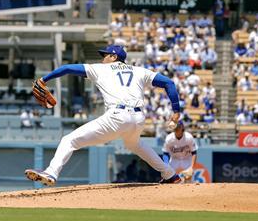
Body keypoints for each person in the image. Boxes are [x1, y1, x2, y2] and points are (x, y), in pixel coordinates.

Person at [24, 44, 183, 186]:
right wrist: (176, 111)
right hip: (138, 118)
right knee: (135, 145)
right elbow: (169, 83)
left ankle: (51, 172)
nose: (103, 59)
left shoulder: (100, 69)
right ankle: (170, 174)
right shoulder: (139, 71)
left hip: (117, 117)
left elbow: (66, 68)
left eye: (105, 55)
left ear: (114, 57)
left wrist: (44, 79)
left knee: (69, 140)